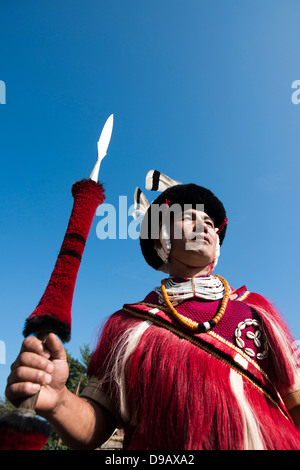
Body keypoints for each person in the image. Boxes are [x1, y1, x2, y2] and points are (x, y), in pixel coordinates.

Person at [5, 171, 300, 450]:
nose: (205, 226)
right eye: (190, 218)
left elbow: (294, 401)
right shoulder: (127, 327)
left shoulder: (256, 309)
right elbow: (94, 427)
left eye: (210, 223)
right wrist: (57, 400)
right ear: (161, 238)